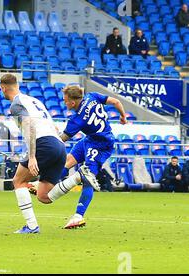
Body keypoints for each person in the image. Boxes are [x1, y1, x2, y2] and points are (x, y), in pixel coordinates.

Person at [0, 74, 98, 234]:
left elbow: (30, 127)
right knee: (44, 196)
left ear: (3, 88)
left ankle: (31, 227)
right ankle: (78, 177)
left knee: (18, 181)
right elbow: (54, 127)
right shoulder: (34, 101)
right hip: (58, 144)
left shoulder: (16, 105)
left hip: (43, 143)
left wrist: (32, 157)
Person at [31, 85, 127, 229]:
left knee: (88, 179)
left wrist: (47, 136)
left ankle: (78, 216)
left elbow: (61, 140)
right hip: (89, 140)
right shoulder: (92, 96)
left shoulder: (77, 119)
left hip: (100, 145)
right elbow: (116, 102)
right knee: (68, 161)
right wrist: (123, 116)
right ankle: (44, 184)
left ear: (73, 102)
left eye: (65, 100)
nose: (64, 103)